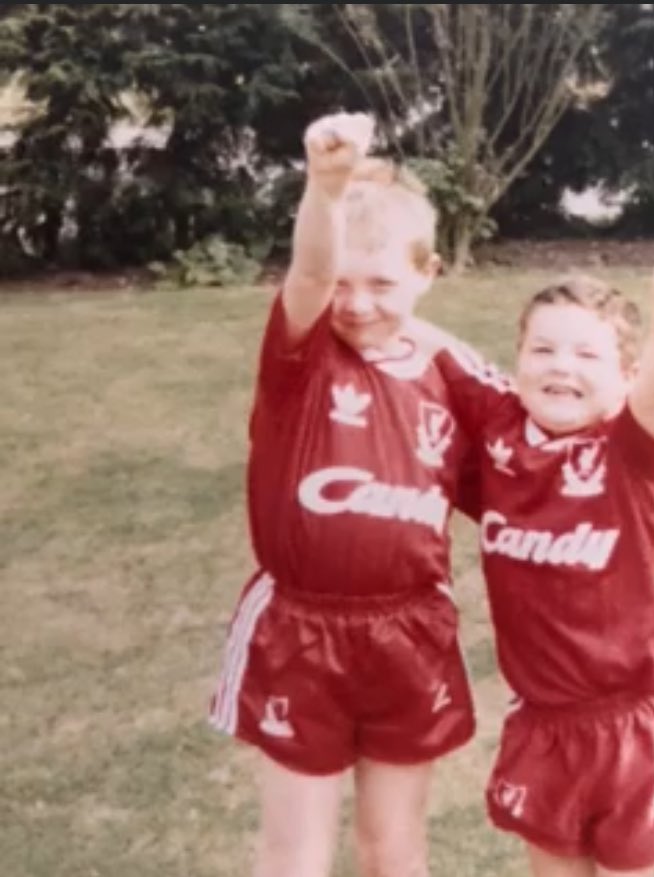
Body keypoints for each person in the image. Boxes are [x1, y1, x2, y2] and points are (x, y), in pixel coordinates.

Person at [207, 112, 478, 877]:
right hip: (302, 631)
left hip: (412, 630)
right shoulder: (300, 359)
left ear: (427, 275)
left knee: (392, 847)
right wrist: (325, 190)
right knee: (295, 854)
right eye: (346, 285)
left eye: (383, 282)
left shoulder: (446, 380)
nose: (356, 303)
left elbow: (531, 461)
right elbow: (311, 277)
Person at [434, 258, 654, 876]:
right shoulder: (499, 434)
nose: (561, 366)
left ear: (624, 379)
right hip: (545, 723)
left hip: (635, 724)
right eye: (542, 349)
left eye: (586, 356)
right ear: (517, 361)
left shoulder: (626, 449)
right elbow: (434, 348)